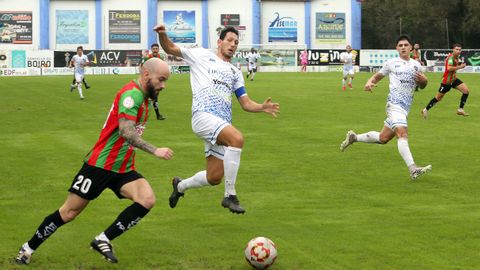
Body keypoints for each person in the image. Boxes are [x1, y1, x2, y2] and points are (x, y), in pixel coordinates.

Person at [15, 58, 173, 265]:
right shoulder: (132, 95)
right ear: (146, 75)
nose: (163, 85)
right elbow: (126, 132)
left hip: (122, 167)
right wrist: (155, 151)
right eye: (161, 80)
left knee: (147, 199)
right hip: (99, 166)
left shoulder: (144, 97)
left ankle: (103, 239)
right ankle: (27, 249)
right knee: (68, 212)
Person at [154, 25, 280, 214]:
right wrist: (163, 35)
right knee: (237, 139)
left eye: (236, 42)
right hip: (203, 117)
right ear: (219, 42)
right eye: (229, 40)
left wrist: (261, 107)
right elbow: (171, 48)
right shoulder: (201, 55)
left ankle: (180, 186)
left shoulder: (235, 73)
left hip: (220, 125)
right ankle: (230, 196)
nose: (233, 45)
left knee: (214, 177)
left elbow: (245, 103)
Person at [339, 35, 432, 180]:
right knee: (402, 134)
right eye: (400, 45)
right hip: (394, 104)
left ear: (410, 47)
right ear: (396, 48)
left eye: (406, 45)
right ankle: (413, 168)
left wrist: (425, 81)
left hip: (405, 107)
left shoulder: (416, 65)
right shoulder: (391, 63)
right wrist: (369, 82)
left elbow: (422, 86)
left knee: (383, 138)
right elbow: (377, 76)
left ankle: (354, 137)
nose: (403, 47)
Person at [421, 43, 470, 118]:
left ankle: (460, 109)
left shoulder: (456, 57)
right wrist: (460, 67)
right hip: (446, 82)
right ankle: (425, 109)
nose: (458, 51)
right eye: (456, 49)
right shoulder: (451, 58)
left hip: (454, 80)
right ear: (453, 49)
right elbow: (449, 68)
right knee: (438, 98)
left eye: (459, 50)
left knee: (466, 91)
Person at [143, 43, 167, 120]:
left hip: (156, 81)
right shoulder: (148, 58)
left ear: (158, 50)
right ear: (152, 50)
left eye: (156, 49)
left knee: (154, 98)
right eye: (154, 49)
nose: (155, 50)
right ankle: (157, 115)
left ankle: (157, 115)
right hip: (149, 81)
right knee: (148, 98)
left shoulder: (160, 58)